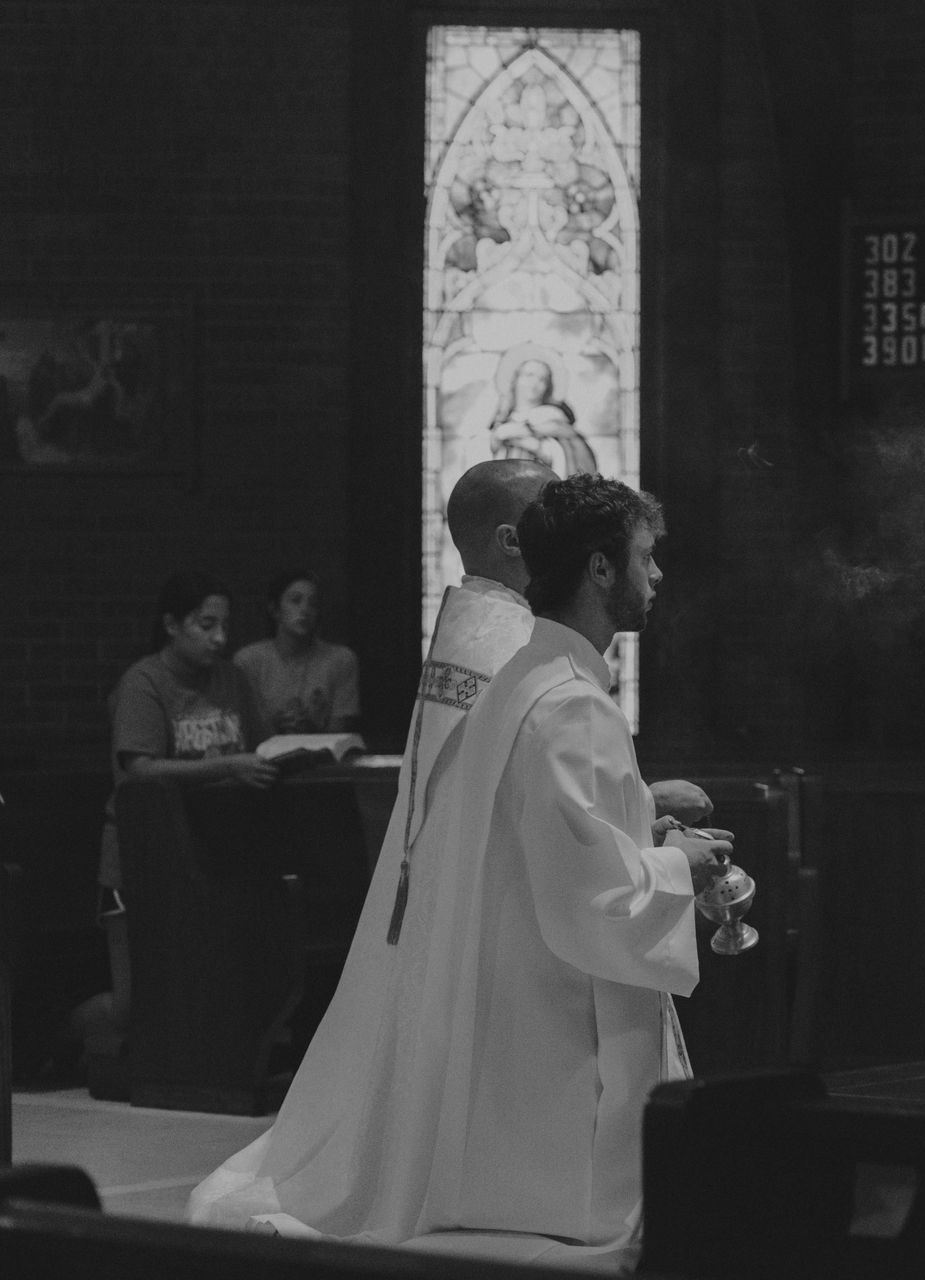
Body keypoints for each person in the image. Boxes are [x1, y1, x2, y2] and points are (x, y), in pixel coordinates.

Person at [190, 467, 723, 1267]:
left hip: (506, 946)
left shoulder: (520, 667)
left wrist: (637, 815)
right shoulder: (569, 696)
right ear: (599, 567)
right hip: (552, 980)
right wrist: (677, 863)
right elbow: (597, 898)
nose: (657, 576)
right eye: (644, 556)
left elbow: (528, 816)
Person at [82, 572, 275, 1094]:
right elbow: (139, 768)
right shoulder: (144, 682)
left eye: (224, 626)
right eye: (205, 625)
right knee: (133, 1004)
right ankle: (57, 1032)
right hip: (142, 855)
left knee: (203, 980)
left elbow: (262, 747)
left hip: (213, 850)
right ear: (171, 625)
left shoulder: (231, 679)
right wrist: (229, 766)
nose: (218, 638)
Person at [233, 570, 361, 735]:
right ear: (275, 609)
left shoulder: (340, 659)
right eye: (295, 601)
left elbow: (340, 733)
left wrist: (310, 730)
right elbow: (244, 731)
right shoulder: (249, 660)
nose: (305, 610)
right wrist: (273, 725)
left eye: (313, 603)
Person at [488, 354, 596, 478]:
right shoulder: (501, 419)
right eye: (529, 375)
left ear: (548, 387)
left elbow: (576, 460)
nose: (535, 383)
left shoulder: (553, 418)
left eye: (542, 379)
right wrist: (496, 440)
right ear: (515, 379)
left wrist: (540, 449)